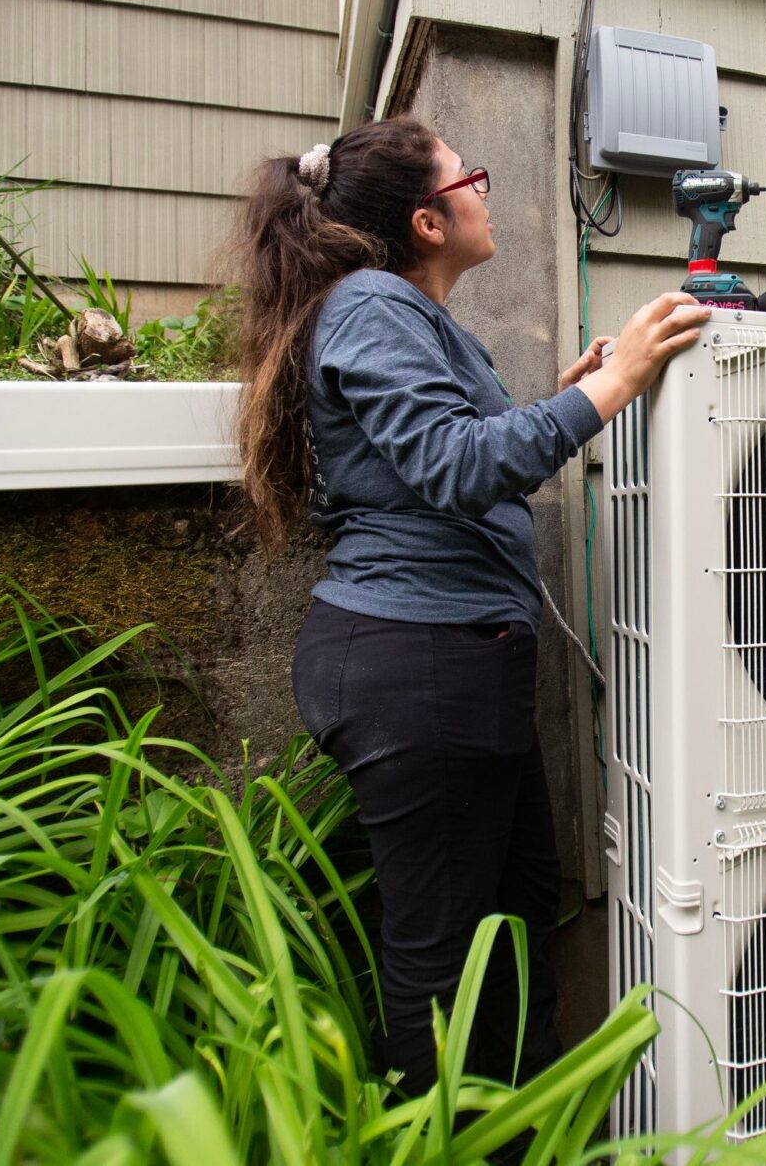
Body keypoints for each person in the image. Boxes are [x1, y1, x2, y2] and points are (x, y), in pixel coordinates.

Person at [231, 116, 710, 1090]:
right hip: (421, 665)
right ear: (427, 220)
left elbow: (448, 450)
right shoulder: (371, 305)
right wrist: (612, 387)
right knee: (440, 959)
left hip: (459, 664)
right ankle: (445, 1136)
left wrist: (564, 394)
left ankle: (512, 1126)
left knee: (521, 906)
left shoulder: (408, 314)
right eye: (471, 178)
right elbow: (456, 466)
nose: (485, 191)